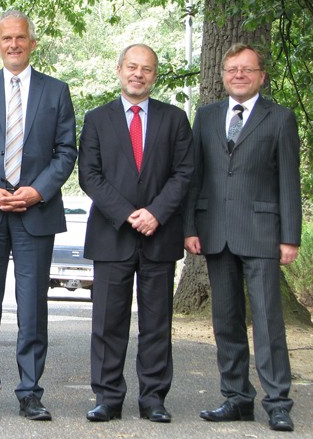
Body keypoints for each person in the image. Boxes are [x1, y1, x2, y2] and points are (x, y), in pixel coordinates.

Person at [0, 10, 77, 421]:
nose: (13, 44)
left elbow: (66, 152)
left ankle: (30, 393)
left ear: (32, 43)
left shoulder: (56, 91)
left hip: (35, 213)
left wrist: (37, 190)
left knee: (33, 309)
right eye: (6, 38)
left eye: (20, 38)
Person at [184, 43, 301, 432]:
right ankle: (236, 398)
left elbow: (289, 181)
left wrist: (291, 237)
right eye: (232, 69)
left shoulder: (280, 118)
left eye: (247, 69)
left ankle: (278, 402)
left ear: (261, 76)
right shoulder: (205, 116)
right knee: (226, 321)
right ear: (222, 75)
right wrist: (189, 227)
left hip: (262, 235)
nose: (239, 75)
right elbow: (194, 176)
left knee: (268, 323)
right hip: (215, 234)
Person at [78, 44, 194, 424]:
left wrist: (155, 213)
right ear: (119, 70)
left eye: (146, 69)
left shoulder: (175, 119)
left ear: (154, 75)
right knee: (108, 323)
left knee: (156, 322)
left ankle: (154, 398)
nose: (138, 74)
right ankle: (108, 397)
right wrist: (129, 214)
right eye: (132, 67)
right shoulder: (97, 119)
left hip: (159, 235)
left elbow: (184, 173)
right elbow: (89, 175)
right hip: (112, 234)